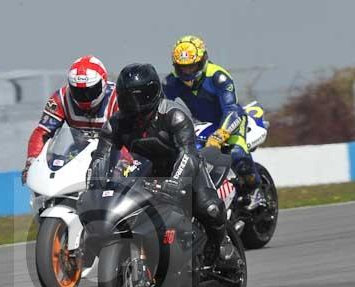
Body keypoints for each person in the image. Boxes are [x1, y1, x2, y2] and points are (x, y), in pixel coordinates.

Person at [88, 63, 227, 263]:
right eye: (128, 97)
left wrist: (176, 181)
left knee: (209, 207)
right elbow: (101, 156)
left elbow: (188, 153)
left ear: (153, 93)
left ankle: (221, 246)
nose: (134, 103)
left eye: (140, 96)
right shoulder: (115, 123)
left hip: (185, 171)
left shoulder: (173, 115)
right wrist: (96, 184)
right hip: (145, 176)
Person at [163, 35, 264, 210]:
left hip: (231, 122)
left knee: (237, 153)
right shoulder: (170, 82)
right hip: (201, 125)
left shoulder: (218, 77)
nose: (187, 72)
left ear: (202, 61)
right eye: (182, 67)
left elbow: (231, 109)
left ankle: (256, 190)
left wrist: (220, 135)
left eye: (191, 66)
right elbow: (163, 109)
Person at [21, 55, 119, 183]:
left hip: (115, 157)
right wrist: (31, 163)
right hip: (78, 157)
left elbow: (131, 135)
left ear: (103, 83)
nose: (85, 97)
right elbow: (42, 132)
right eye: (77, 91)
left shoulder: (118, 97)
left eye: (90, 91)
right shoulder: (60, 98)